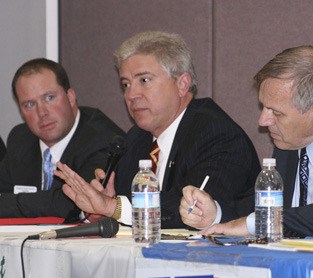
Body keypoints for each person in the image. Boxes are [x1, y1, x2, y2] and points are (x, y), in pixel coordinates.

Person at [180, 45, 313, 238]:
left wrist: (257, 223)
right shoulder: (291, 141)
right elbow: (271, 205)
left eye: (275, 112)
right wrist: (215, 213)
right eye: (263, 107)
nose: (263, 120)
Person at [54, 31, 260, 228]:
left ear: (182, 84)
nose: (131, 94)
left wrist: (113, 207)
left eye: (144, 80)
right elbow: (123, 211)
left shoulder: (215, 134)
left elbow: (192, 210)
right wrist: (102, 207)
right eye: (125, 84)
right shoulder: (136, 138)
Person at [0, 58, 125, 222]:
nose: (42, 112)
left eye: (49, 98)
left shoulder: (103, 138)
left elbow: (70, 202)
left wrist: (14, 203)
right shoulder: (20, 138)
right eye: (30, 104)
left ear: (71, 97)